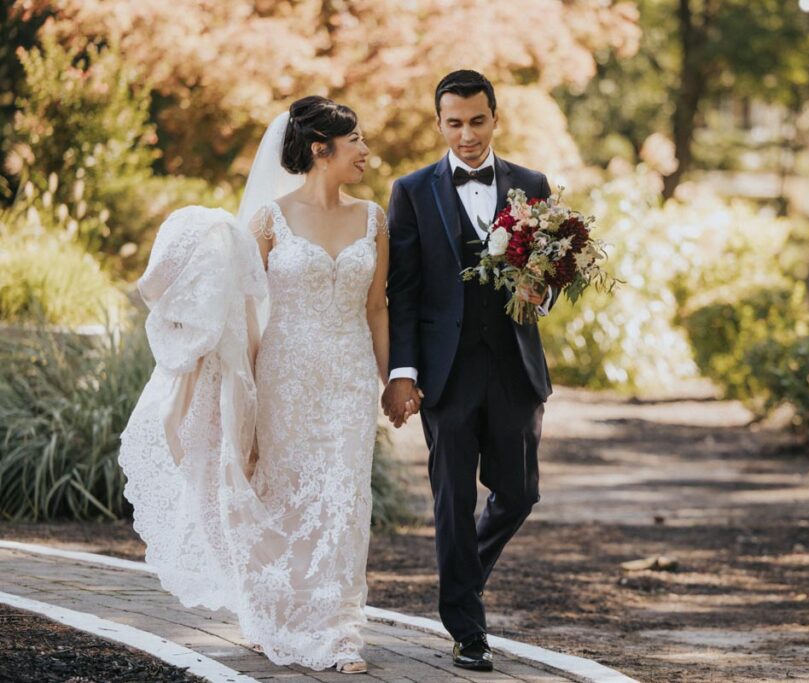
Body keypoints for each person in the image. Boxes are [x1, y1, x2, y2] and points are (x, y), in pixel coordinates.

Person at [120, 96, 403, 674]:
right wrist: (240, 391)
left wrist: (391, 379)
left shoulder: (374, 218)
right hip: (284, 374)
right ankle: (273, 612)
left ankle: (338, 630)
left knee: (345, 497)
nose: (367, 152)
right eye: (357, 143)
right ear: (322, 150)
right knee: (279, 488)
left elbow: (377, 308)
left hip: (348, 376)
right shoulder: (268, 219)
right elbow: (246, 312)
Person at [382, 69, 555, 672]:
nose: (466, 135)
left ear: (495, 118)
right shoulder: (410, 190)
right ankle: (467, 630)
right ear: (438, 124)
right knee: (452, 499)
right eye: (453, 123)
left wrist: (543, 293)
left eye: (477, 121)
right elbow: (401, 292)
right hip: (446, 374)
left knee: (519, 492)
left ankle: (460, 585)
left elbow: (549, 272)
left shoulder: (531, 185)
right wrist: (401, 371)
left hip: (515, 367)